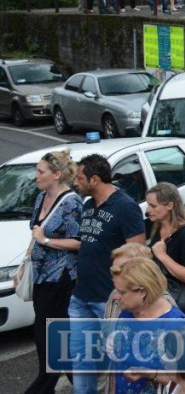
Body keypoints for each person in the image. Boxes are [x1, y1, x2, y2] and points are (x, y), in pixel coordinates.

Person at [69, 154, 147, 394]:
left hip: (110, 300)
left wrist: (127, 295)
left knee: (118, 359)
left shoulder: (126, 207)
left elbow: (138, 256)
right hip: (81, 297)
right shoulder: (88, 205)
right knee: (80, 359)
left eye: (79, 178)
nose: (75, 182)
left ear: (94, 179)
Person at [21, 150, 82, 394]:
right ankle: (82, 385)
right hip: (41, 277)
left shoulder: (72, 203)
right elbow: (35, 232)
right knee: (48, 336)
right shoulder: (41, 197)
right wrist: (25, 264)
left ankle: (42, 387)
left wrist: (46, 241)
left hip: (61, 279)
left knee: (48, 335)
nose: (35, 176)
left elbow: (78, 242)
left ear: (56, 174)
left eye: (40, 171)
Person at [109, 258, 185, 394]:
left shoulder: (177, 326)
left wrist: (152, 374)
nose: (116, 297)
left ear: (142, 292)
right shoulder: (126, 314)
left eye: (122, 292)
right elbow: (117, 367)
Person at [144, 183, 185, 317]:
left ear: (169, 205)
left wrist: (162, 255)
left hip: (179, 307)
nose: (147, 210)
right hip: (160, 302)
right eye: (148, 205)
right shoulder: (157, 228)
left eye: (153, 206)